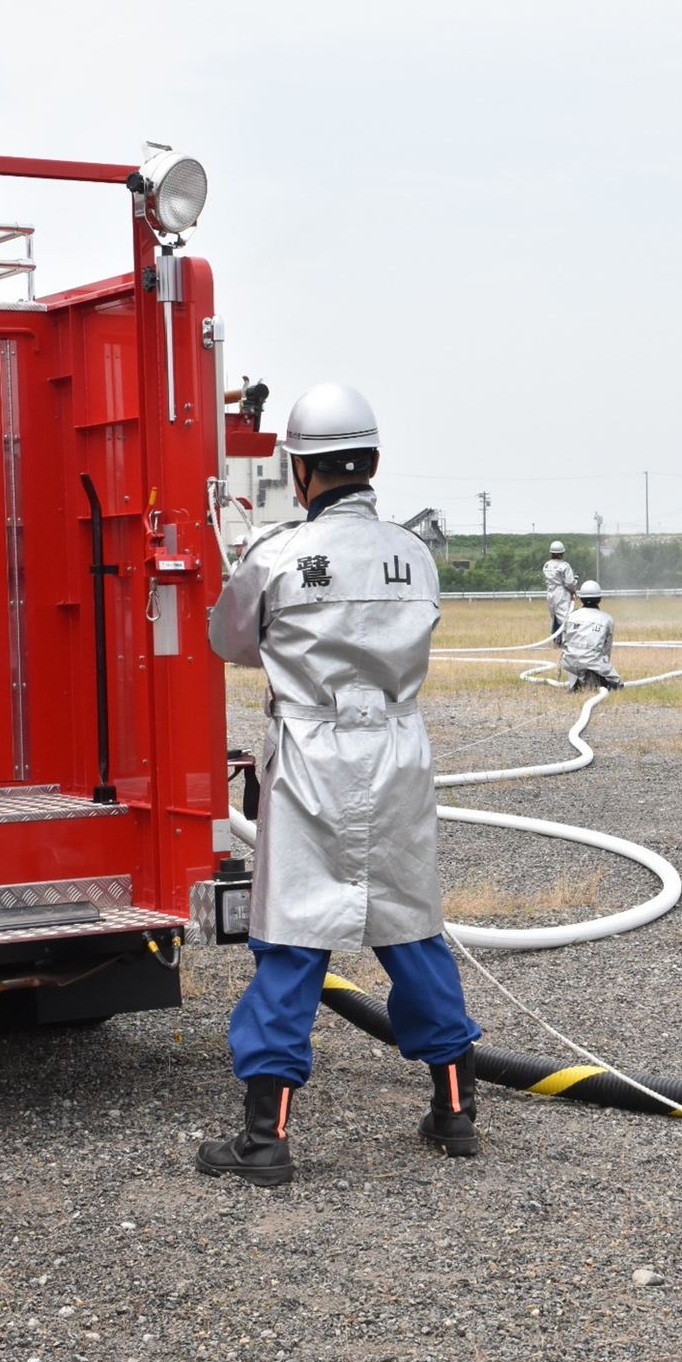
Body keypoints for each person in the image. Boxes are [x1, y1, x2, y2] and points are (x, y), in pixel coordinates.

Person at [199, 384, 482, 1188]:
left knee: (292, 940)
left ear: (299, 469)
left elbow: (229, 639)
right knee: (411, 928)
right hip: (397, 751)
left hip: (312, 757)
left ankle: (267, 1138)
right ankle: (455, 1113)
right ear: (374, 464)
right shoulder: (414, 553)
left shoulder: (279, 555)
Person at [560, 579, 624, 691]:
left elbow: (565, 642)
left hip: (569, 662)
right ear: (600, 599)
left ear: (580, 598)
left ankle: (576, 684)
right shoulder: (607, 619)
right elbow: (606, 650)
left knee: (577, 664)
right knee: (618, 686)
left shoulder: (571, 616)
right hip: (594, 662)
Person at [542, 541, 577, 636]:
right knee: (565, 617)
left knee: (555, 617)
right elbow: (569, 583)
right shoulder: (565, 565)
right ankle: (565, 639)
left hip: (550, 593)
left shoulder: (547, 565)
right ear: (562, 553)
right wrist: (573, 590)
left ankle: (555, 637)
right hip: (562, 593)